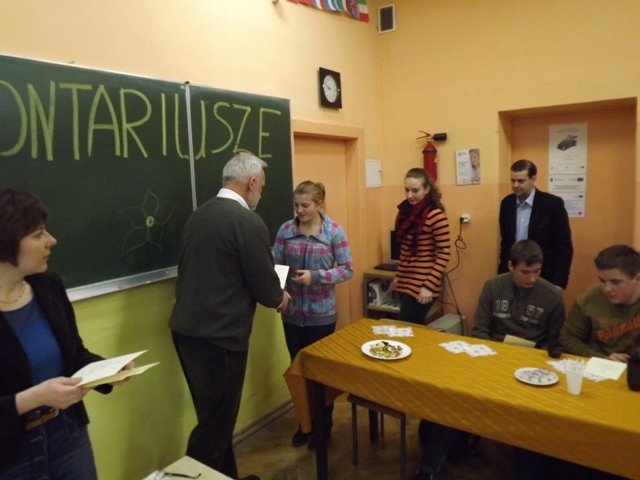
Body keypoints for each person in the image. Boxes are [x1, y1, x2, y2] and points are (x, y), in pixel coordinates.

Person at [169, 152, 289, 480]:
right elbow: (266, 288)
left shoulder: (199, 215)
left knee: (213, 418)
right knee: (214, 429)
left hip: (186, 331)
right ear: (251, 182)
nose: (261, 193)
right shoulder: (247, 222)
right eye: (262, 187)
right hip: (220, 338)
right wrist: (280, 297)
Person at [0, 189, 133, 479]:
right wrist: (32, 398)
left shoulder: (48, 287)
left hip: (67, 434)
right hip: (10, 453)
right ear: (6, 243)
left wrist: (106, 369)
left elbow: (74, 354)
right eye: (38, 234)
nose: (52, 240)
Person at [414, 240, 565, 480]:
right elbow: (480, 330)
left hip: (530, 366)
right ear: (510, 266)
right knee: (455, 398)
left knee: (532, 417)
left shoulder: (552, 297)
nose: (532, 278)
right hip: (491, 358)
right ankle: (429, 468)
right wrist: (495, 359)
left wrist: (533, 359)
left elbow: (554, 343)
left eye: (537, 272)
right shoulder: (493, 286)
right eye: (525, 272)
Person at [272, 181, 354, 448]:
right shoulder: (286, 230)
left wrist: (316, 276)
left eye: (305, 205)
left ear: (319, 203)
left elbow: (347, 269)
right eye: (296, 205)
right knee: (299, 373)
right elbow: (276, 265)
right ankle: (304, 425)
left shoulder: (333, 231)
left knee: (320, 374)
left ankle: (323, 427)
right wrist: (278, 293)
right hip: (292, 314)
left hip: (322, 316)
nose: (299, 210)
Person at [499, 159, 573, 290]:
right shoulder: (507, 204)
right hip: (513, 275)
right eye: (513, 180)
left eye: (521, 181)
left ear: (533, 179)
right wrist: (502, 275)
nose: (515, 185)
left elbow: (564, 247)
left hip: (544, 276)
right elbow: (505, 244)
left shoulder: (552, 204)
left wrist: (559, 282)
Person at [390, 168, 450, 324]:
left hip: (424, 282)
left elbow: (444, 254)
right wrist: (398, 276)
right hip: (406, 280)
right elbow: (405, 250)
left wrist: (429, 286)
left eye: (415, 191)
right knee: (409, 327)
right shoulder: (404, 212)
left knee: (407, 327)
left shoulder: (436, 215)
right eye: (407, 190)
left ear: (427, 189)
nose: (410, 195)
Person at [560, 245, 640, 361]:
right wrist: (601, 358)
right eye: (602, 281)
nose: (607, 288)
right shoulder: (587, 299)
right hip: (599, 364)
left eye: (615, 282)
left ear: (637, 279)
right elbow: (567, 338)